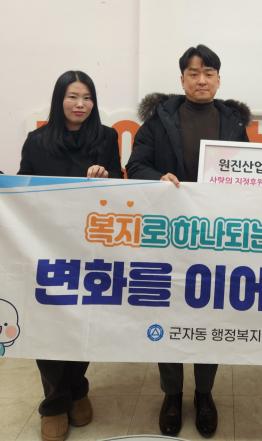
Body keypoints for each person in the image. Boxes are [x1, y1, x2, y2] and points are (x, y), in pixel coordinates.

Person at [126, 44, 250, 438]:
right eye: (193, 73)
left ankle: (205, 394)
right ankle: (172, 394)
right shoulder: (158, 120)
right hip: (168, 237)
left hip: (216, 238)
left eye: (209, 73)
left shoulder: (232, 123)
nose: (201, 80)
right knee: (168, 315)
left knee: (210, 316)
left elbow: (249, 176)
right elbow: (136, 165)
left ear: (218, 79)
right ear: (182, 79)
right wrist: (158, 179)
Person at [18, 70, 122, 441]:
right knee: (48, 325)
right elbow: (22, 186)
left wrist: (105, 178)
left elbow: (120, 188)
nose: (80, 104)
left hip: (90, 248)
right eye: (73, 96)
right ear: (59, 99)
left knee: (83, 323)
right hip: (46, 248)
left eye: (87, 97)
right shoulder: (37, 141)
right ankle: (55, 403)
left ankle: (77, 387)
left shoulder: (106, 137)